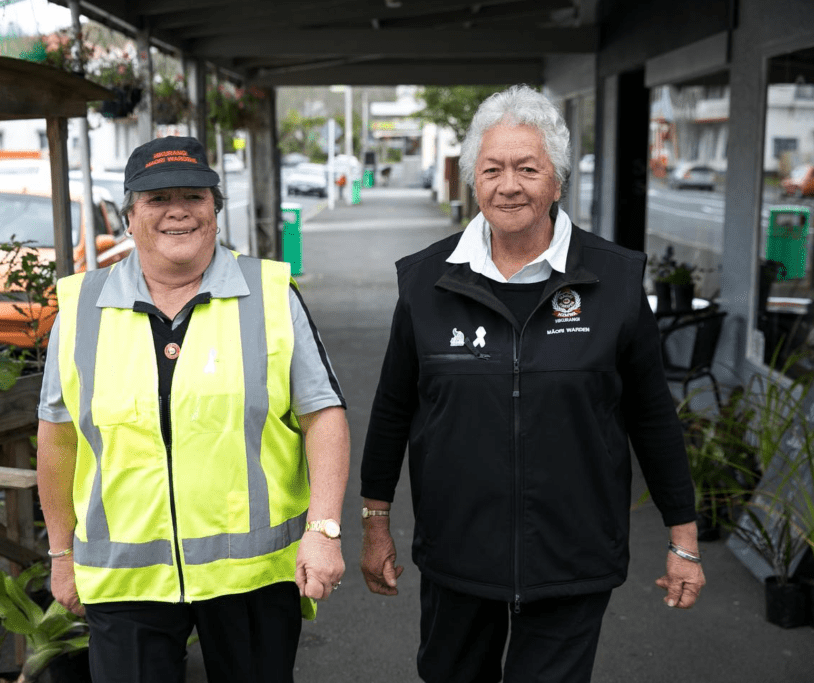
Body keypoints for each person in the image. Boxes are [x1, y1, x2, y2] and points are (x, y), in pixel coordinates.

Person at [359, 86, 705, 683]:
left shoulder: (615, 280)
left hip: (573, 555)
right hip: (457, 554)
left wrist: (684, 539)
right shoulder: (425, 283)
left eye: (527, 168)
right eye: (492, 169)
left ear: (558, 182)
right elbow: (393, 409)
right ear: (473, 180)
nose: (508, 185)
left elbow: (652, 416)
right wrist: (374, 524)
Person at [37, 136, 349, 683]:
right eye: (157, 199)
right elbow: (57, 436)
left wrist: (323, 530)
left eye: (194, 196)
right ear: (129, 217)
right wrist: (61, 554)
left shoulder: (270, 294)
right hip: (126, 577)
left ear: (215, 212)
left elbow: (322, 414)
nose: (177, 210)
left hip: (252, 576)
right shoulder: (81, 306)